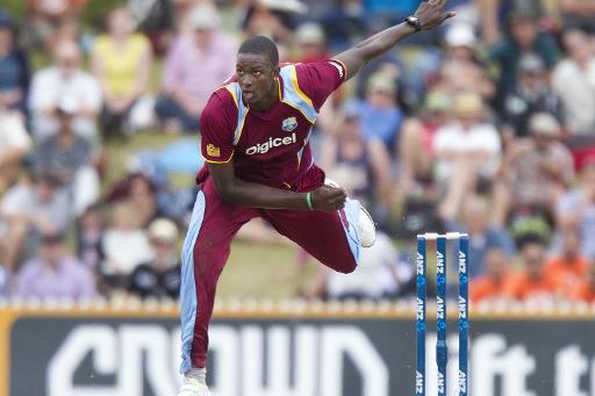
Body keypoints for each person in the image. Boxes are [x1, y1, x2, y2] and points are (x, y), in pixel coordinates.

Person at [176, 2, 455, 395]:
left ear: (277, 72)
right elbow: (228, 189)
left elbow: (362, 52)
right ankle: (193, 371)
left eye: (256, 72)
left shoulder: (306, 81)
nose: (248, 82)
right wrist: (308, 204)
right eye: (241, 72)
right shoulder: (221, 108)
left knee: (347, 261)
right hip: (233, 191)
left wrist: (410, 25)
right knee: (198, 257)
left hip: (294, 182)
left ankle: (348, 207)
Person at [155, 5, 236, 132]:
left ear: (214, 29)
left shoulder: (227, 46)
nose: (203, 34)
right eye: (199, 30)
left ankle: (181, 125)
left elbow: (232, 81)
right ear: (193, 29)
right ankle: (195, 123)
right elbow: (170, 81)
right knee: (160, 105)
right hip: (186, 101)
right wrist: (188, 101)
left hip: (216, 100)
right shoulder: (180, 45)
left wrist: (209, 103)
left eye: (206, 30)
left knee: (230, 111)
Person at [92, 7, 153, 135]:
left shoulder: (142, 43)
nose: (120, 26)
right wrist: (111, 99)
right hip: (107, 96)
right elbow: (99, 77)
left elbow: (141, 80)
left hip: (133, 96)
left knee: (142, 119)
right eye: (116, 23)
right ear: (110, 24)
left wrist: (125, 101)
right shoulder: (100, 44)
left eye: (124, 22)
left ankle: (123, 122)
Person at [29, 40, 102, 141]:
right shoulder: (41, 78)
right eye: (64, 59)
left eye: (72, 59)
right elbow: (40, 107)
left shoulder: (89, 81)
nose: (68, 63)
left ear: (79, 60)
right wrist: (74, 110)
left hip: (80, 131)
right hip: (50, 131)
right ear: (55, 58)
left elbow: (93, 111)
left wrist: (61, 110)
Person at [12, 231, 97, 301]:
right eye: (47, 244)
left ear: (62, 247)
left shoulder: (78, 271)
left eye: (55, 244)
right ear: (40, 247)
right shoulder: (29, 270)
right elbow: (18, 299)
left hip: (71, 318)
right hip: (35, 318)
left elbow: (88, 301)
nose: (51, 249)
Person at [551, 29, 595, 135]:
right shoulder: (561, 70)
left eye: (581, 45)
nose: (578, 50)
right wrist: (561, 124)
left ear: (589, 45)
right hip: (572, 128)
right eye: (573, 47)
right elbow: (554, 100)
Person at [128, 218, 181, 299]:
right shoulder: (140, 270)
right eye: (157, 243)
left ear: (173, 246)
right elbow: (129, 295)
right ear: (150, 243)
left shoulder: (180, 271)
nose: (162, 249)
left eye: (168, 244)